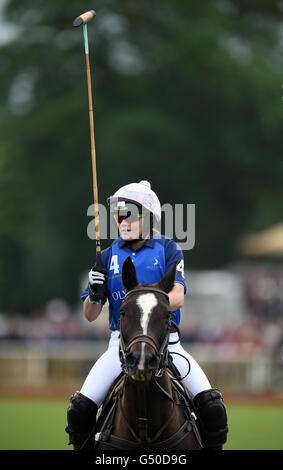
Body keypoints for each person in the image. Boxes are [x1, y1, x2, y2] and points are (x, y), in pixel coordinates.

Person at [65, 180, 228, 450]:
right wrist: (95, 293)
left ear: (149, 218)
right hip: (120, 345)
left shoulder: (168, 249)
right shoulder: (106, 257)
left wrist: (145, 300)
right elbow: (90, 314)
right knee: (79, 409)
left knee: (213, 407)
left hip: (167, 344)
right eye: (119, 215)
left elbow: (177, 296)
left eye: (131, 215)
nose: (124, 221)